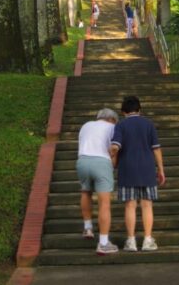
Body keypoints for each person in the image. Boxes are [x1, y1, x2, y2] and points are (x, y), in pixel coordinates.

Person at [110, 96, 166, 252]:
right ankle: (148, 240)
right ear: (140, 110)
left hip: (127, 169)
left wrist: (110, 158)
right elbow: (156, 148)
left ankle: (131, 241)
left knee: (130, 205)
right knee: (147, 205)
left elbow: (115, 146)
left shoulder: (120, 125)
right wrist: (160, 169)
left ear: (123, 112)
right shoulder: (148, 124)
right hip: (147, 169)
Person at [76, 108, 119, 255]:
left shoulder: (86, 125)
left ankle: (87, 227)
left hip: (82, 161)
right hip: (101, 161)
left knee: (86, 192)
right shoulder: (113, 127)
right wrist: (112, 166)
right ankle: (103, 243)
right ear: (112, 119)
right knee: (104, 203)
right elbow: (114, 150)